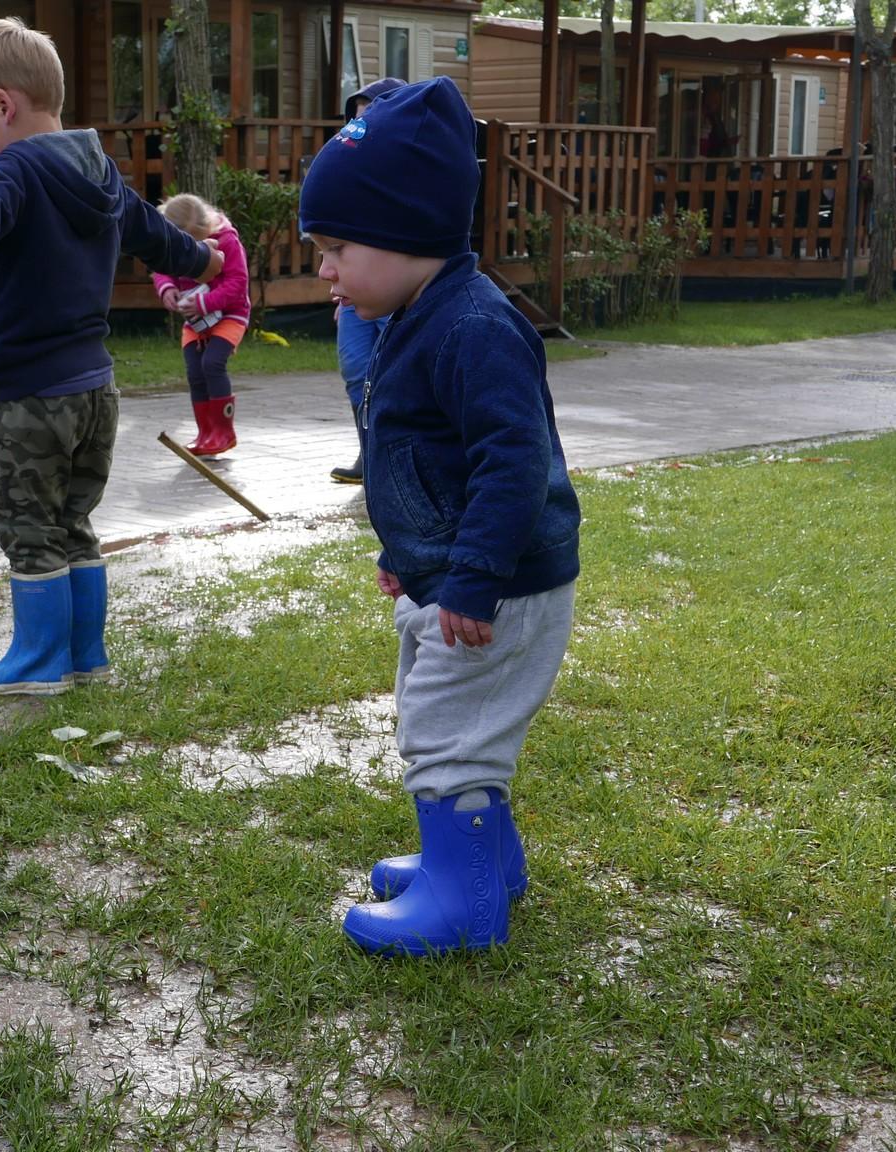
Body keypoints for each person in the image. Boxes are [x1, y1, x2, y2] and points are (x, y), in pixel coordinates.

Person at [299, 77, 581, 957]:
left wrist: (468, 577)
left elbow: (513, 463)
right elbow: (428, 458)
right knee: (456, 724)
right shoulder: (421, 315)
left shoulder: (473, 327)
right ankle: (485, 864)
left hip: (495, 586)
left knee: (446, 733)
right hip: (459, 574)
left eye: (338, 246)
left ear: (409, 228)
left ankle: (464, 906)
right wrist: (411, 552)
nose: (324, 270)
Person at [0, 17, 222, 695]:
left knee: (29, 528)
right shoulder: (100, 171)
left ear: (5, 104)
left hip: (30, 398)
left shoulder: (17, 168)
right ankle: (86, 654)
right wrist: (200, 256)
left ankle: (37, 661)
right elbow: (152, 229)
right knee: (72, 523)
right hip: (95, 392)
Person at [329, 77, 403, 484]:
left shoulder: (412, 172)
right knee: (357, 371)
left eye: (368, 116)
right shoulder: (345, 173)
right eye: (354, 119)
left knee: (397, 376)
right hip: (353, 298)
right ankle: (370, 457)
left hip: (395, 298)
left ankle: (402, 461)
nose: (358, 127)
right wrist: (339, 288)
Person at [153, 193, 249, 457]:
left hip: (229, 315)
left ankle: (223, 432)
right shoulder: (170, 242)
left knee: (212, 364)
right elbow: (162, 269)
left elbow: (237, 284)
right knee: (195, 372)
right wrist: (167, 288)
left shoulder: (228, 241)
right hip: (195, 322)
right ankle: (205, 433)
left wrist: (205, 303)